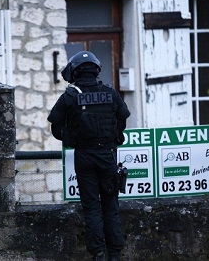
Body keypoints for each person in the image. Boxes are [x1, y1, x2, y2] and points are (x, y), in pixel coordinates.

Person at [47, 51, 130, 261]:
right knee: (110, 207)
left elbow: (55, 126)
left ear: (75, 72)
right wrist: (116, 137)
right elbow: (123, 117)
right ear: (96, 70)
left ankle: (99, 254)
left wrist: (71, 137)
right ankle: (115, 255)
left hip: (84, 156)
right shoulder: (110, 92)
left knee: (92, 207)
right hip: (107, 156)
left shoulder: (70, 95)